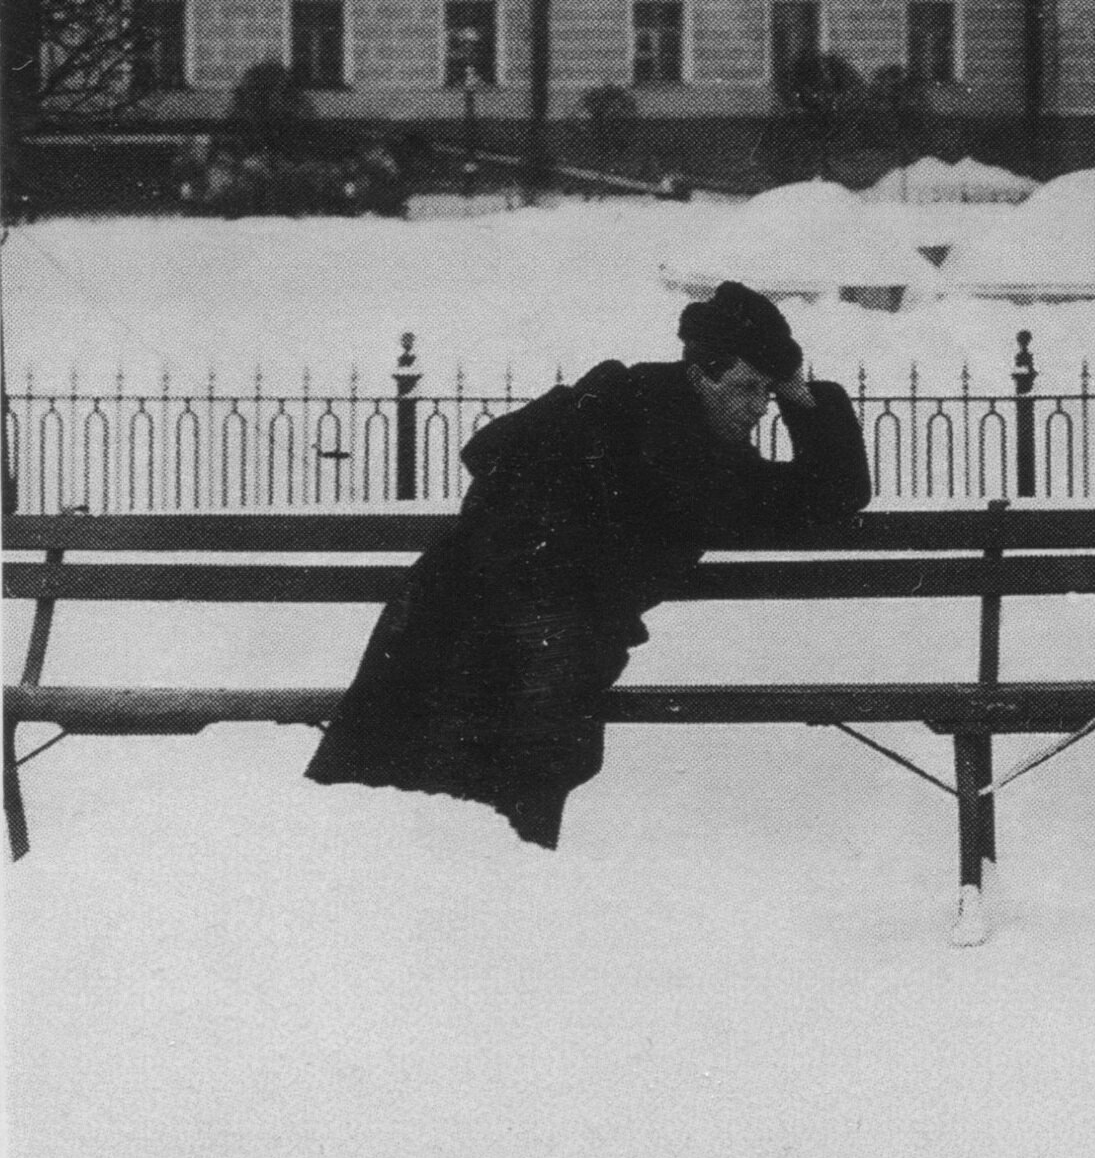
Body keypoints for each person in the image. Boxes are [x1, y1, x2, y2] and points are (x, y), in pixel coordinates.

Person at [306, 280, 872, 848]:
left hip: (447, 608)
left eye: (768, 394)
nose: (757, 408)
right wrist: (805, 400)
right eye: (748, 388)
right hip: (530, 633)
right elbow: (836, 492)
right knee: (506, 784)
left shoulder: (616, 395)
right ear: (702, 374)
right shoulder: (697, 462)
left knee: (422, 790)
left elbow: (484, 449)